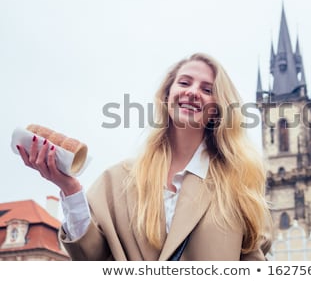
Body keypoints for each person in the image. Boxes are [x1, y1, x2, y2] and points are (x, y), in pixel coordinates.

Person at [16, 52, 273, 260]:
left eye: (207, 89)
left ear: (217, 109)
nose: (193, 92)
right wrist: (69, 188)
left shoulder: (238, 184)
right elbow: (91, 259)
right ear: (166, 95)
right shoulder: (118, 179)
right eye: (184, 83)